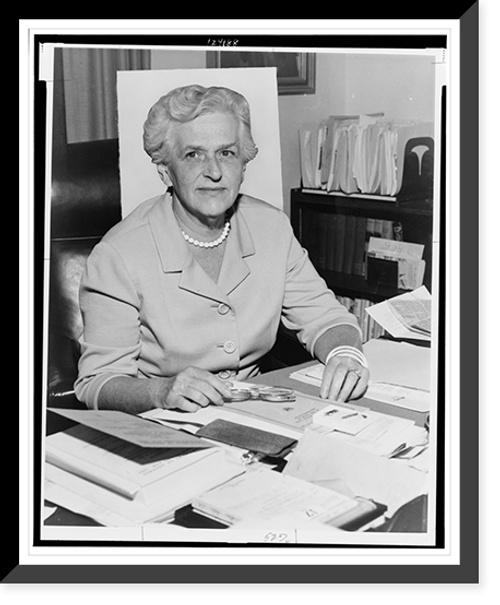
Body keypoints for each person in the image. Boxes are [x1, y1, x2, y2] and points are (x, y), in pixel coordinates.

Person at [74, 84, 370, 414]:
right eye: (193, 155)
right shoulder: (118, 255)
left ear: (244, 165)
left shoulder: (271, 228)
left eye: (226, 153)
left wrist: (346, 355)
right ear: (165, 171)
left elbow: (326, 317)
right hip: (163, 421)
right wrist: (161, 392)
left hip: (260, 411)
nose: (214, 172)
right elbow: (97, 383)